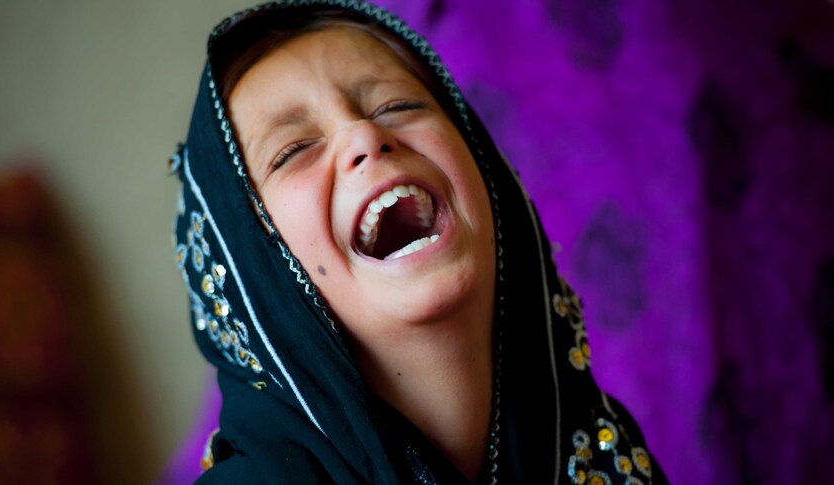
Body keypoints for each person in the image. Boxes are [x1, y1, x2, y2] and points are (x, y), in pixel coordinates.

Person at [170, 1, 667, 483]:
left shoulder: (607, 457)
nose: (363, 135)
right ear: (252, 270)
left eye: (397, 105)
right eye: (294, 149)